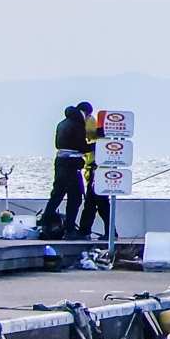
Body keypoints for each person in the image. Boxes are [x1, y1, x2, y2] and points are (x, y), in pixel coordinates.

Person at [45, 105, 89, 239]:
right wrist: (96, 146)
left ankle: (45, 225)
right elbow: (81, 146)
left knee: (57, 195)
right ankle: (69, 229)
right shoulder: (77, 124)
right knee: (75, 198)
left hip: (60, 162)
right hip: (71, 164)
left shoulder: (63, 123)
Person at [74, 101, 111, 239]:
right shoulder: (99, 139)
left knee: (100, 204)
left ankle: (109, 231)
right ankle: (85, 230)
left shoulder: (92, 130)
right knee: (91, 203)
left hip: (98, 171)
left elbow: (89, 130)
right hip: (95, 171)